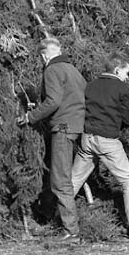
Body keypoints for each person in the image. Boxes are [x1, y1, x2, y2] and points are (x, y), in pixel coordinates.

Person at [17, 36, 86, 243]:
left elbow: (53, 101)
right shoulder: (73, 70)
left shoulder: (52, 70)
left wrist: (31, 117)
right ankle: (54, 217)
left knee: (60, 180)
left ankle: (71, 230)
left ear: (44, 54)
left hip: (63, 127)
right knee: (61, 176)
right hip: (75, 125)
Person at [71, 52, 129, 239]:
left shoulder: (90, 86)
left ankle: (62, 219)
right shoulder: (122, 88)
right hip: (108, 140)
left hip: (87, 138)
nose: (127, 77)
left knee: (74, 180)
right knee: (128, 181)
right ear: (117, 70)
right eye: (126, 73)